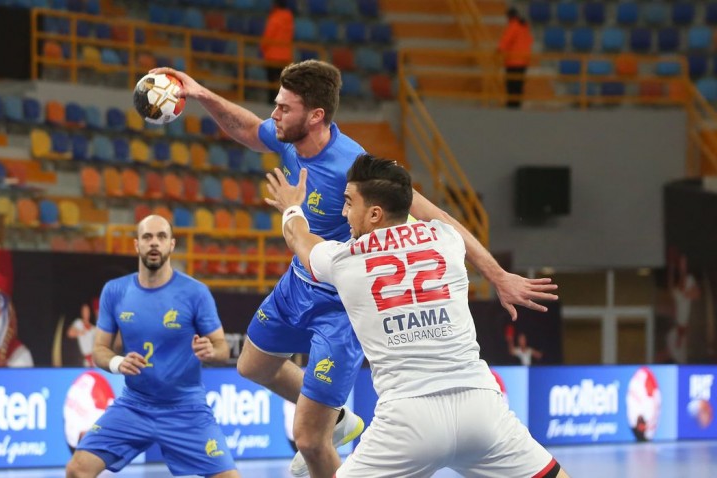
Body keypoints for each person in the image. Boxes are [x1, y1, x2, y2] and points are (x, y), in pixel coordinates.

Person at [150, 59, 559, 478]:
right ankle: (341, 416)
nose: (274, 115)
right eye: (276, 105)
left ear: (316, 116)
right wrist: (200, 94)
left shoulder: (355, 167)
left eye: (283, 108)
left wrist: (497, 275)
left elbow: (437, 217)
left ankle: (329, 429)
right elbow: (248, 131)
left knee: (309, 439)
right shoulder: (288, 136)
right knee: (252, 366)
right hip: (299, 281)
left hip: (343, 297)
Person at [265, 154, 567, 478]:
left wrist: (292, 208)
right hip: (480, 408)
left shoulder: (345, 259)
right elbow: (439, 216)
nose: (343, 212)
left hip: (408, 420)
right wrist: (497, 274)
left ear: (375, 213)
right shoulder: (447, 239)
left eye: (349, 203)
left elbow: (301, 240)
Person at [66, 215, 238, 478]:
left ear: (171, 245)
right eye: (147, 237)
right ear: (137, 245)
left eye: (161, 237)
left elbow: (222, 348)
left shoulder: (196, 292)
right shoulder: (115, 291)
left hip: (186, 408)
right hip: (134, 405)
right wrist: (117, 362)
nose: (154, 243)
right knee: (77, 470)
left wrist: (212, 351)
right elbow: (100, 349)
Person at [498, 7, 533, 109]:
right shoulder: (524, 27)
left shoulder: (513, 26)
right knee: (519, 84)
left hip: (513, 61)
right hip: (524, 61)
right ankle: (517, 104)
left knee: (511, 84)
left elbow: (505, 41)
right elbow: (529, 41)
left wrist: (498, 50)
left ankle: (512, 105)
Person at [260, 0, 294, 104]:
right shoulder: (289, 18)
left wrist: (263, 48)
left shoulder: (275, 17)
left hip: (272, 55)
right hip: (285, 56)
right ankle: (282, 104)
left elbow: (268, 36)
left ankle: (272, 103)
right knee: (282, 83)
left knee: (271, 83)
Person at [67, 302, 97, 367]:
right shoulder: (78, 323)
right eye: (84, 311)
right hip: (84, 359)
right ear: (82, 312)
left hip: (94, 359)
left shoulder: (93, 328)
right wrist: (79, 332)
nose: (86, 313)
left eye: (87, 311)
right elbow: (69, 333)